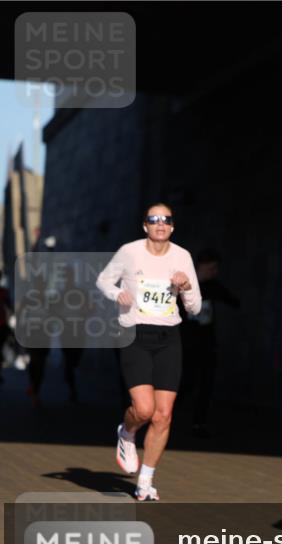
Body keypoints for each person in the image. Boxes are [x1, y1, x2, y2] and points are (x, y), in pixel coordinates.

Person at [96, 203, 201, 500]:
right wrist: (119, 293)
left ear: (172, 226)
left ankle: (145, 481)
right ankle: (126, 433)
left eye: (166, 220)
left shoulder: (183, 257)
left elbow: (194, 307)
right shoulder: (129, 251)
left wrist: (186, 286)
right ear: (145, 225)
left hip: (169, 337)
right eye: (154, 219)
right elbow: (103, 280)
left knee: (163, 416)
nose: (160, 224)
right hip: (134, 334)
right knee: (144, 410)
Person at [179, 247, 240, 437]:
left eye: (216, 268)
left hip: (207, 344)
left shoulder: (214, 287)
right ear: (201, 266)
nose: (215, 272)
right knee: (187, 383)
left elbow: (233, 301)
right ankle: (167, 416)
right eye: (212, 268)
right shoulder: (184, 285)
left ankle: (198, 423)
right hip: (187, 344)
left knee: (207, 383)